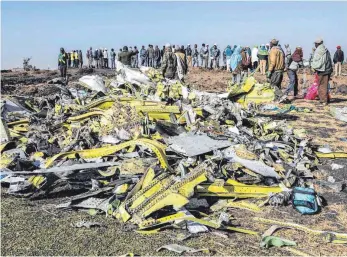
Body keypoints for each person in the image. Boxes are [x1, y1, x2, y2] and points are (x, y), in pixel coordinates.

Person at [311, 38, 333, 105]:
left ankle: (323, 101)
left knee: (322, 86)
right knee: (325, 85)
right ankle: (325, 99)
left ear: (317, 44)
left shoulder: (319, 50)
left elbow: (319, 62)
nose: (315, 45)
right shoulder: (325, 49)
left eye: (315, 43)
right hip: (328, 70)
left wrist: (313, 67)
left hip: (323, 71)